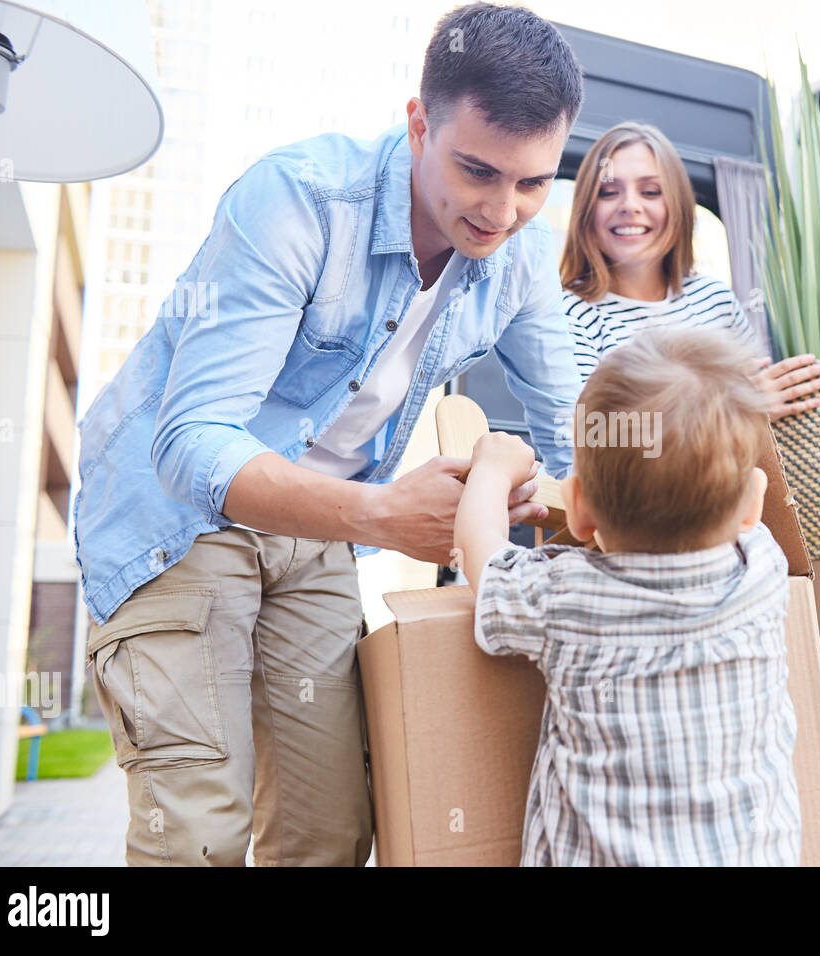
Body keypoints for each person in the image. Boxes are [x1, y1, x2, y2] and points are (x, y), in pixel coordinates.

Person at [73, 3, 582, 866]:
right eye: (477, 171)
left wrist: (566, 507)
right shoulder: (299, 200)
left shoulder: (522, 258)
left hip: (316, 540)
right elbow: (192, 440)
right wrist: (384, 516)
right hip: (176, 526)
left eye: (533, 183)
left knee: (331, 834)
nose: (502, 210)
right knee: (199, 830)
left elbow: (572, 436)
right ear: (420, 124)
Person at [454, 327, 802, 866]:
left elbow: (484, 558)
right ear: (753, 503)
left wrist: (492, 470)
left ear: (581, 512)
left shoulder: (567, 598)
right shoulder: (762, 568)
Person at [559, 121, 820, 489]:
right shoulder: (573, 312)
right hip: (639, 515)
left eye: (651, 191)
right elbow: (594, 438)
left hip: (728, 512)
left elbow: (766, 420)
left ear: (679, 205)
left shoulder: (714, 300)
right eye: (608, 192)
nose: (630, 206)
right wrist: (736, 408)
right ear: (586, 208)